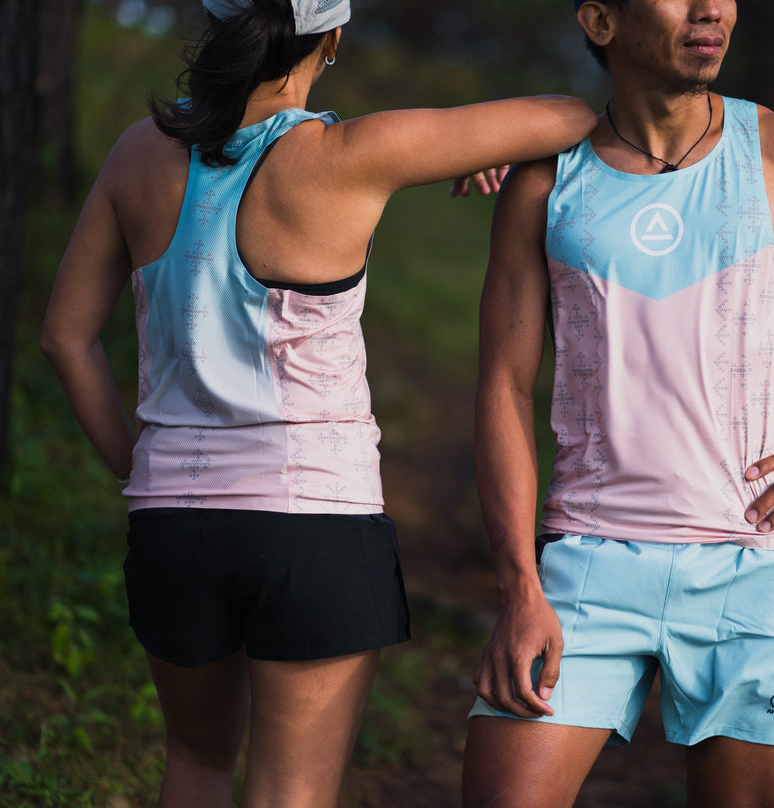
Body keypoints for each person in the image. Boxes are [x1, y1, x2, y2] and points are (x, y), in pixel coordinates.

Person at [40, 1, 595, 806]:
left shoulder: (139, 152)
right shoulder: (353, 154)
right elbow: (572, 114)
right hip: (315, 523)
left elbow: (65, 337)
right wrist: (490, 153)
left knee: (194, 763)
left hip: (172, 523)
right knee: (290, 795)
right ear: (331, 38)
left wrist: (144, 471)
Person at [461, 1, 774, 806]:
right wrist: (520, 588)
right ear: (600, 20)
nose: (711, 9)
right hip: (588, 557)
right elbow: (501, 386)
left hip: (752, 562)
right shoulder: (544, 177)